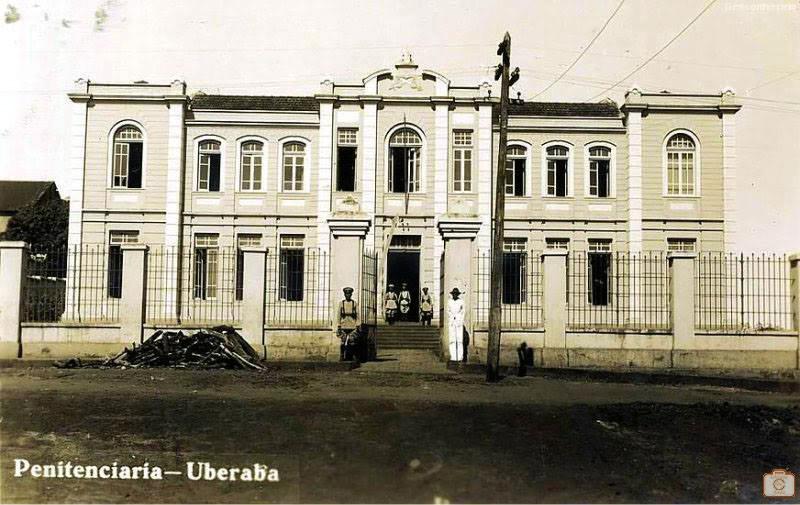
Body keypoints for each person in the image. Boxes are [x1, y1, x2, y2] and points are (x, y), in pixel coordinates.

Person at [337, 287, 360, 361]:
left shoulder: (354, 303)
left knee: (352, 342)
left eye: (349, 293)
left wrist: (358, 325)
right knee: (343, 342)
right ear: (344, 294)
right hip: (343, 325)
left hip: (352, 326)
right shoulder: (341, 303)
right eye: (346, 294)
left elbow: (357, 315)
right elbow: (339, 315)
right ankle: (341, 356)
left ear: (351, 294)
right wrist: (338, 325)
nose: (348, 295)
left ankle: (353, 356)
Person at [447, 287, 465, 362]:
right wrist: (451, 317)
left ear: (457, 294)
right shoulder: (449, 301)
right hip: (452, 321)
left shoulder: (461, 301)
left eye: (456, 294)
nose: (454, 295)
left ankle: (460, 356)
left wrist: (460, 319)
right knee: (452, 339)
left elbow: (463, 312)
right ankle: (453, 356)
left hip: (459, 321)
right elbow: (448, 311)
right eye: (453, 294)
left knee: (459, 339)